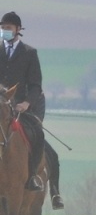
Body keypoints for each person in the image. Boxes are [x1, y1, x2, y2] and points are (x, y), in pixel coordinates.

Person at [0, 11, 57, 204]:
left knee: (37, 134)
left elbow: (35, 85)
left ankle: (32, 175)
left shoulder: (29, 53)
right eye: (2, 28)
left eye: (8, 28)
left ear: (18, 30)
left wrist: (26, 103)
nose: (4, 31)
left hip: (20, 107)